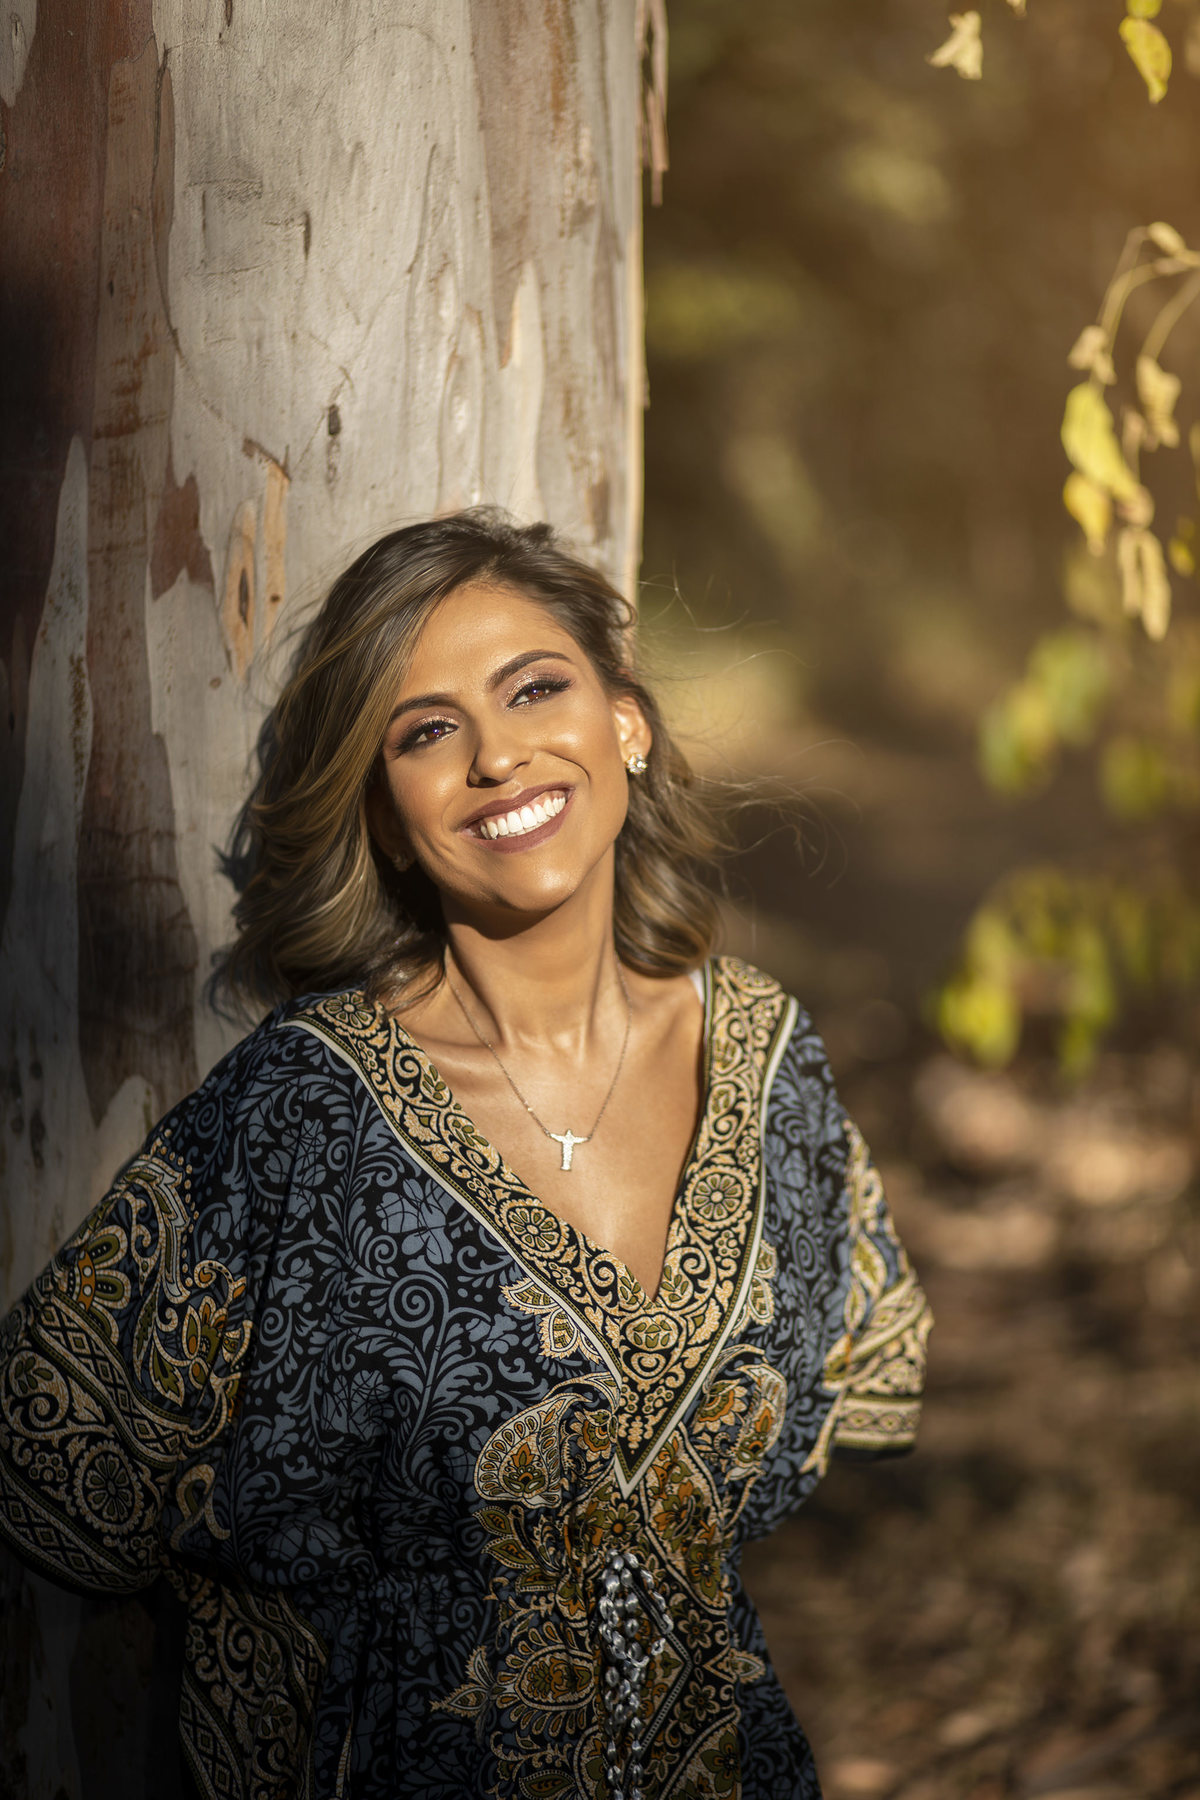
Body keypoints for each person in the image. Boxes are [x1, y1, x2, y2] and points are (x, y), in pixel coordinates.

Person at [0, 510, 931, 1800]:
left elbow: (850, 1380)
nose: (498, 754)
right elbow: (64, 1463)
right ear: (384, 817)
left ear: (628, 724)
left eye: (535, 688)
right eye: (427, 732)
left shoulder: (771, 1056)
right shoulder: (304, 1109)